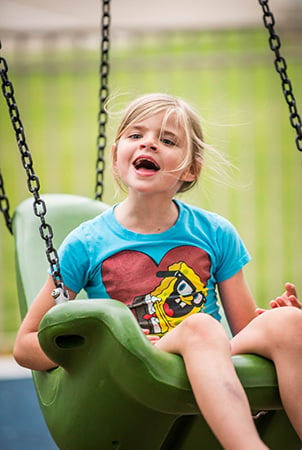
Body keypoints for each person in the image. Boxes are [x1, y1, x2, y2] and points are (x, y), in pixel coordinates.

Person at [14, 93, 302, 449]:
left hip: (211, 354)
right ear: (117, 154)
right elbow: (26, 346)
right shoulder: (86, 244)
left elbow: (243, 332)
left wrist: (274, 321)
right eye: (136, 136)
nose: (149, 142)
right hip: (138, 368)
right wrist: (102, 353)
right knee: (200, 326)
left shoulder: (214, 233)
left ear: (190, 168)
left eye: (167, 140)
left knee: (288, 324)